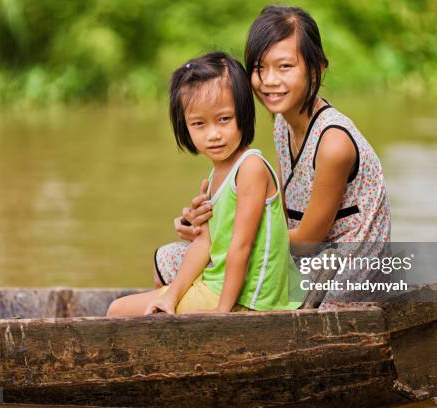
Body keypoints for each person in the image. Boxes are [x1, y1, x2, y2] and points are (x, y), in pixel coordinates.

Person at [153, 6, 391, 308]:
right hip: (302, 261)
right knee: (167, 259)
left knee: (201, 263)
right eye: (259, 68)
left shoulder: (333, 144)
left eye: (285, 67)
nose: (269, 80)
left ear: (316, 68)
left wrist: (226, 235)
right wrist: (207, 222)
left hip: (344, 274)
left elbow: (307, 240)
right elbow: (272, 211)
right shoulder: (283, 125)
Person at [107, 52, 301, 316]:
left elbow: (240, 246)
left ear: (243, 113)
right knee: (139, 305)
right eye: (199, 124)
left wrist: (222, 313)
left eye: (224, 119)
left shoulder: (250, 168)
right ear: (185, 128)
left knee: (118, 311)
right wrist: (172, 296)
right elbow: (204, 244)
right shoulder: (216, 175)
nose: (214, 135)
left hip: (251, 301)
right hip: (219, 285)